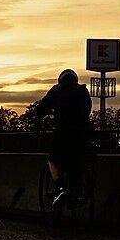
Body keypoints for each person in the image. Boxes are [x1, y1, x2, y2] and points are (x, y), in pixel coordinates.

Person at [35, 69, 92, 203]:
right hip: (82, 134)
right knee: (77, 161)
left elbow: (41, 108)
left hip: (62, 133)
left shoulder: (57, 90)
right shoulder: (83, 90)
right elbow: (88, 109)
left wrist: (38, 122)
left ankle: (60, 187)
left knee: (52, 159)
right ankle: (77, 191)